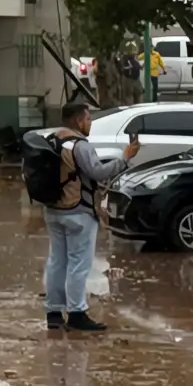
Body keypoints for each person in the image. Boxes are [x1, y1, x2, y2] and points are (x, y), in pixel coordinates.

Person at [41, 101, 134, 333]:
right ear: (78, 120)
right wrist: (124, 158)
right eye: (88, 119)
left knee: (56, 262)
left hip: (53, 211)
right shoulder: (80, 145)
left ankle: (53, 314)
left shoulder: (51, 141)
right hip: (78, 213)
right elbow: (98, 172)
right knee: (78, 265)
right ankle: (76, 314)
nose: (90, 123)